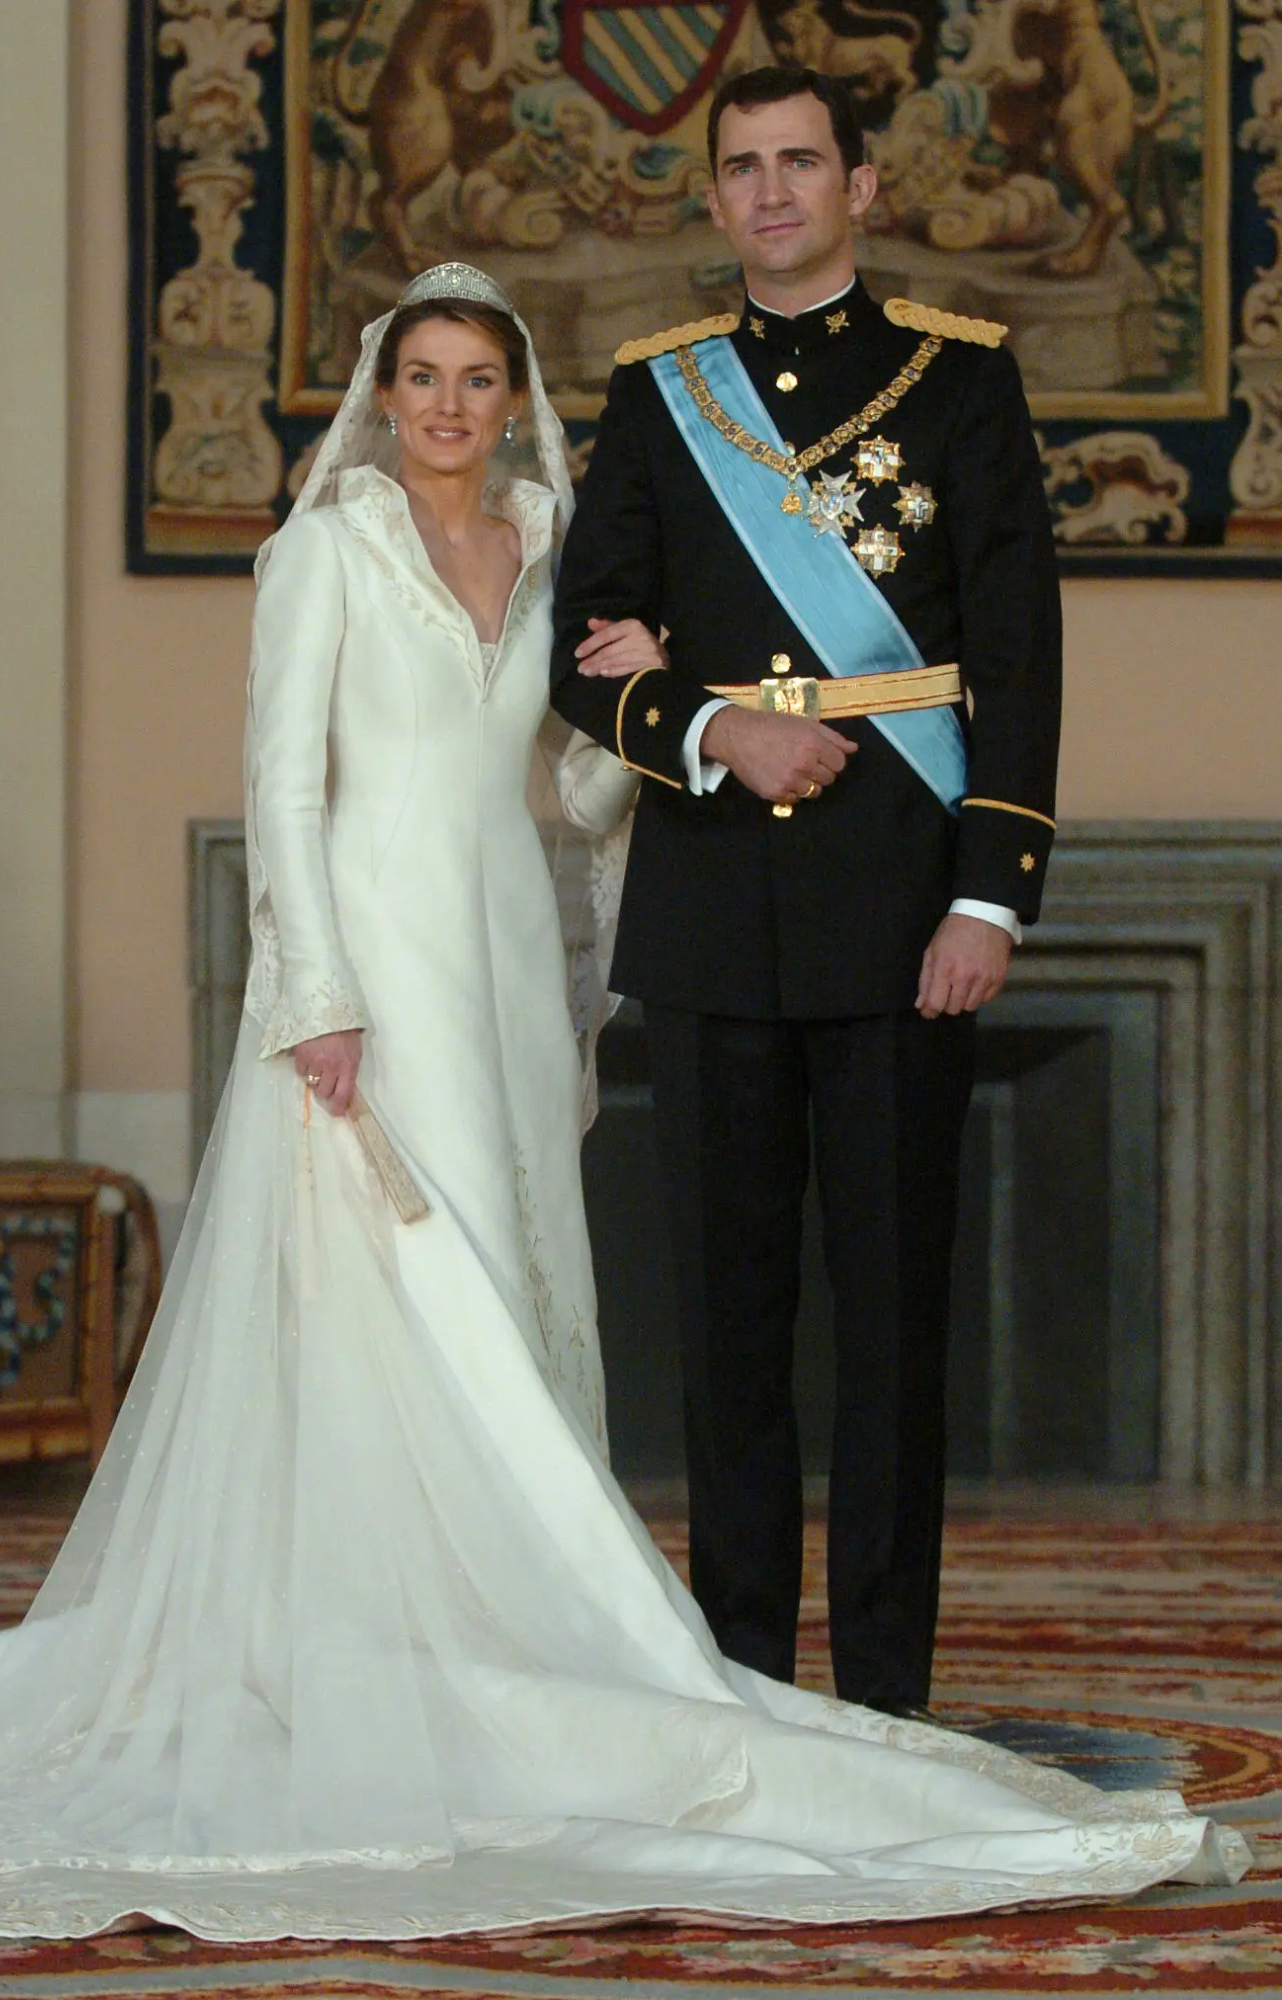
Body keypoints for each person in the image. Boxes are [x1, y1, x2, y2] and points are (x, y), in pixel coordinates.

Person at [0, 266, 1245, 1944]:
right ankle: (370, 1641)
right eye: (421, 377)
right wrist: (312, 998)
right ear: (384, 392)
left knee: (520, 1288)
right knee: (400, 1293)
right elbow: (278, 784)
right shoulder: (324, 551)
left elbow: (576, 785)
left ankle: (514, 1635)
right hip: (376, 964)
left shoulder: (544, 554)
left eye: (475, 380)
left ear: (516, 400)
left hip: (508, 964)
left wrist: (657, 686)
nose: (446, 406)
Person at [550, 65, 1061, 1721]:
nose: (769, 193)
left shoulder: (960, 382)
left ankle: (885, 1710)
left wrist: (988, 899)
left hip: (902, 899)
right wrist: (709, 723)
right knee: (726, 1336)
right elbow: (584, 641)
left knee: (893, 1336)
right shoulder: (657, 392)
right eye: (739, 169)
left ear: (860, 181)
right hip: (707, 906)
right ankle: (749, 1699)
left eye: (798, 163)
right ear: (713, 199)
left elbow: (1019, 655)